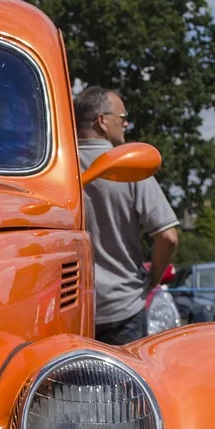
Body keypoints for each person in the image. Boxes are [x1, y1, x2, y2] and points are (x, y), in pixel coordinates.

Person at [73, 86, 180, 345]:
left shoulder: (57, 166)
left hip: (71, 311)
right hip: (124, 309)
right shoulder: (131, 165)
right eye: (122, 118)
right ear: (102, 120)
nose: (127, 124)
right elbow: (168, 237)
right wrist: (153, 280)